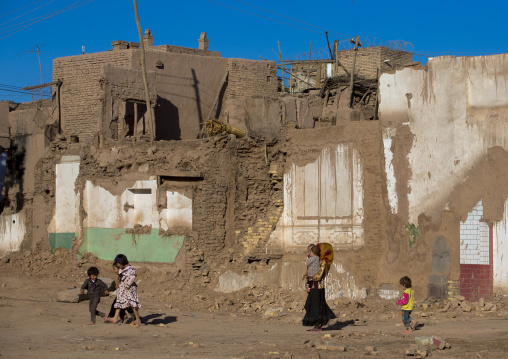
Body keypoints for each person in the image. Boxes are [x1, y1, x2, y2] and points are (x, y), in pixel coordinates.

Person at [302, 245, 336, 332]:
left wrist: (310, 278)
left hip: (318, 288)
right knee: (311, 305)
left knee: (316, 306)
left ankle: (317, 325)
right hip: (314, 287)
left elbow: (319, 276)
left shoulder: (323, 262)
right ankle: (319, 323)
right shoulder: (316, 261)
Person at [106, 254, 142, 326]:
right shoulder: (123, 269)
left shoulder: (130, 269)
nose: (118, 267)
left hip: (130, 288)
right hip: (123, 288)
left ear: (121, 263)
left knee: (132, 303)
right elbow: (121, 276)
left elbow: (132, 277)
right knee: (119, 301)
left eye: (118, 265)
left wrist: (128, 284)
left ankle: (137, 319)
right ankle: (115, 318)